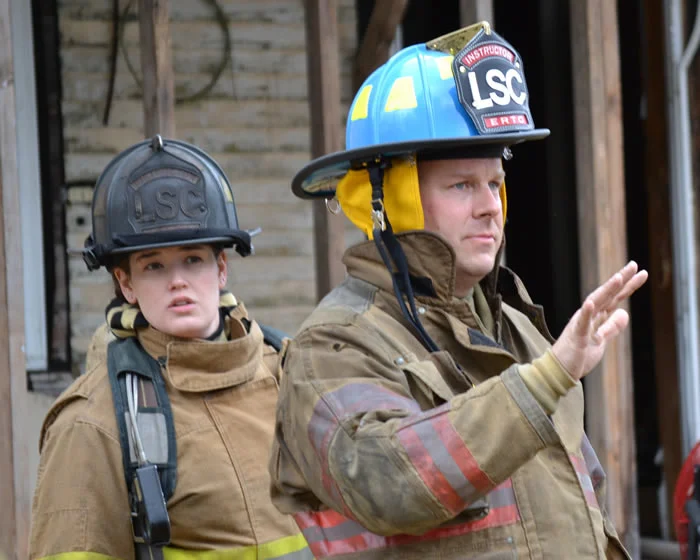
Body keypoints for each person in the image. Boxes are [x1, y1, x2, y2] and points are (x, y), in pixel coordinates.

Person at [269, 21, 647, 559]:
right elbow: (388, 482)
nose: (490, 205)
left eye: (494, 183)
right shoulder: (333, 347)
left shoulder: (515, 326)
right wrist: (545, 381)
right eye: (461, 185)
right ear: (390, 201)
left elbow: (581, 512)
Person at [29, 136, 313, 559]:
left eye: (193, 259)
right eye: (154, 265)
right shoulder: (93, 422)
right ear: (126, 284)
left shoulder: (292, 374)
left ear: (221, 269)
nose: (177, 280)